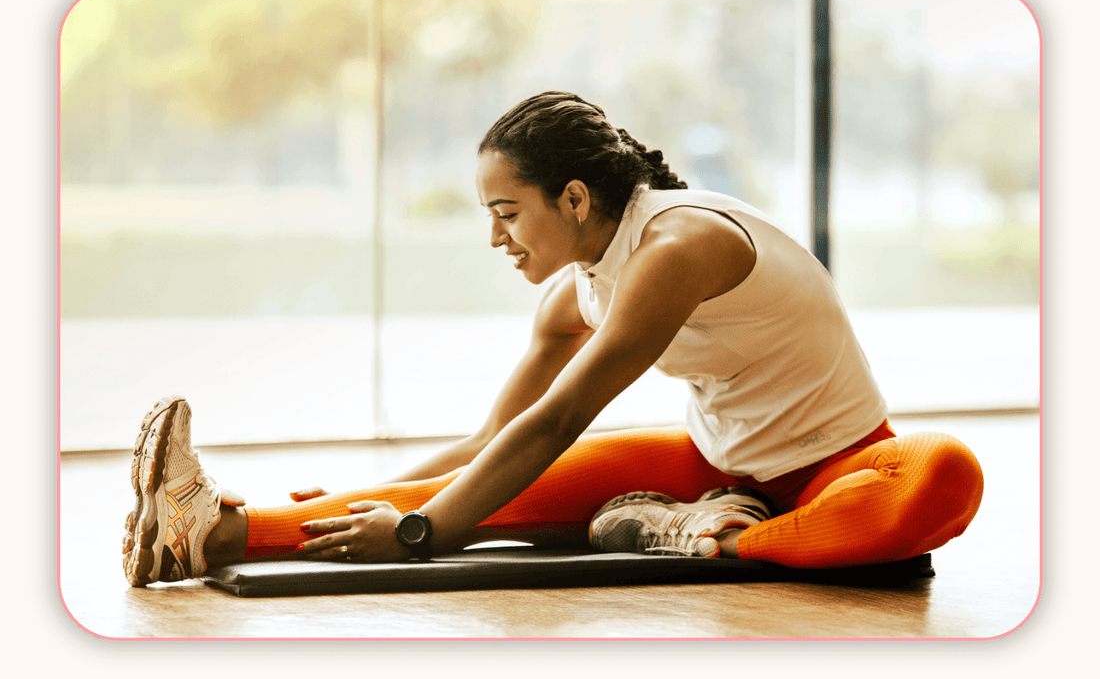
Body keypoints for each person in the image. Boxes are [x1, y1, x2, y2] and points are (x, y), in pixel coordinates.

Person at [122, 91, 984, 587]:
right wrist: (363, 498)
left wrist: (425, 534)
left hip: (842, 466)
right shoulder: (575, 292)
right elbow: (493, 445)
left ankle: (709, 538)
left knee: (946, 473)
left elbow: (562, 416)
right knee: (477, 486)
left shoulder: (679, 249)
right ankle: (203, 532)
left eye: (507, 213)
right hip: (718, 469)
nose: (497, 238)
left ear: (573, 198)